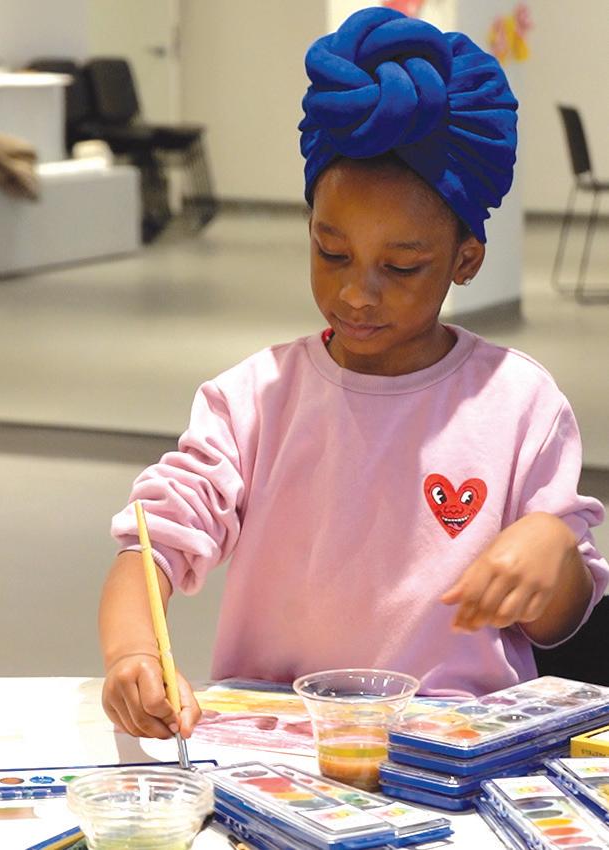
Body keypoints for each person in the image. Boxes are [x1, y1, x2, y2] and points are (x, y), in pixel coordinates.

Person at [98, 7, 609, 741]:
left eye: (401, 267)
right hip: (279, 748)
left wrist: (553, 553)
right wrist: (134, 653)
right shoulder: (253, 402)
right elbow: (150, 547)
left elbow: (565, 622)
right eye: (331, 253)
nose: (357, 294)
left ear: (466, 259)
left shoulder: (518, 404)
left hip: (453, 751)